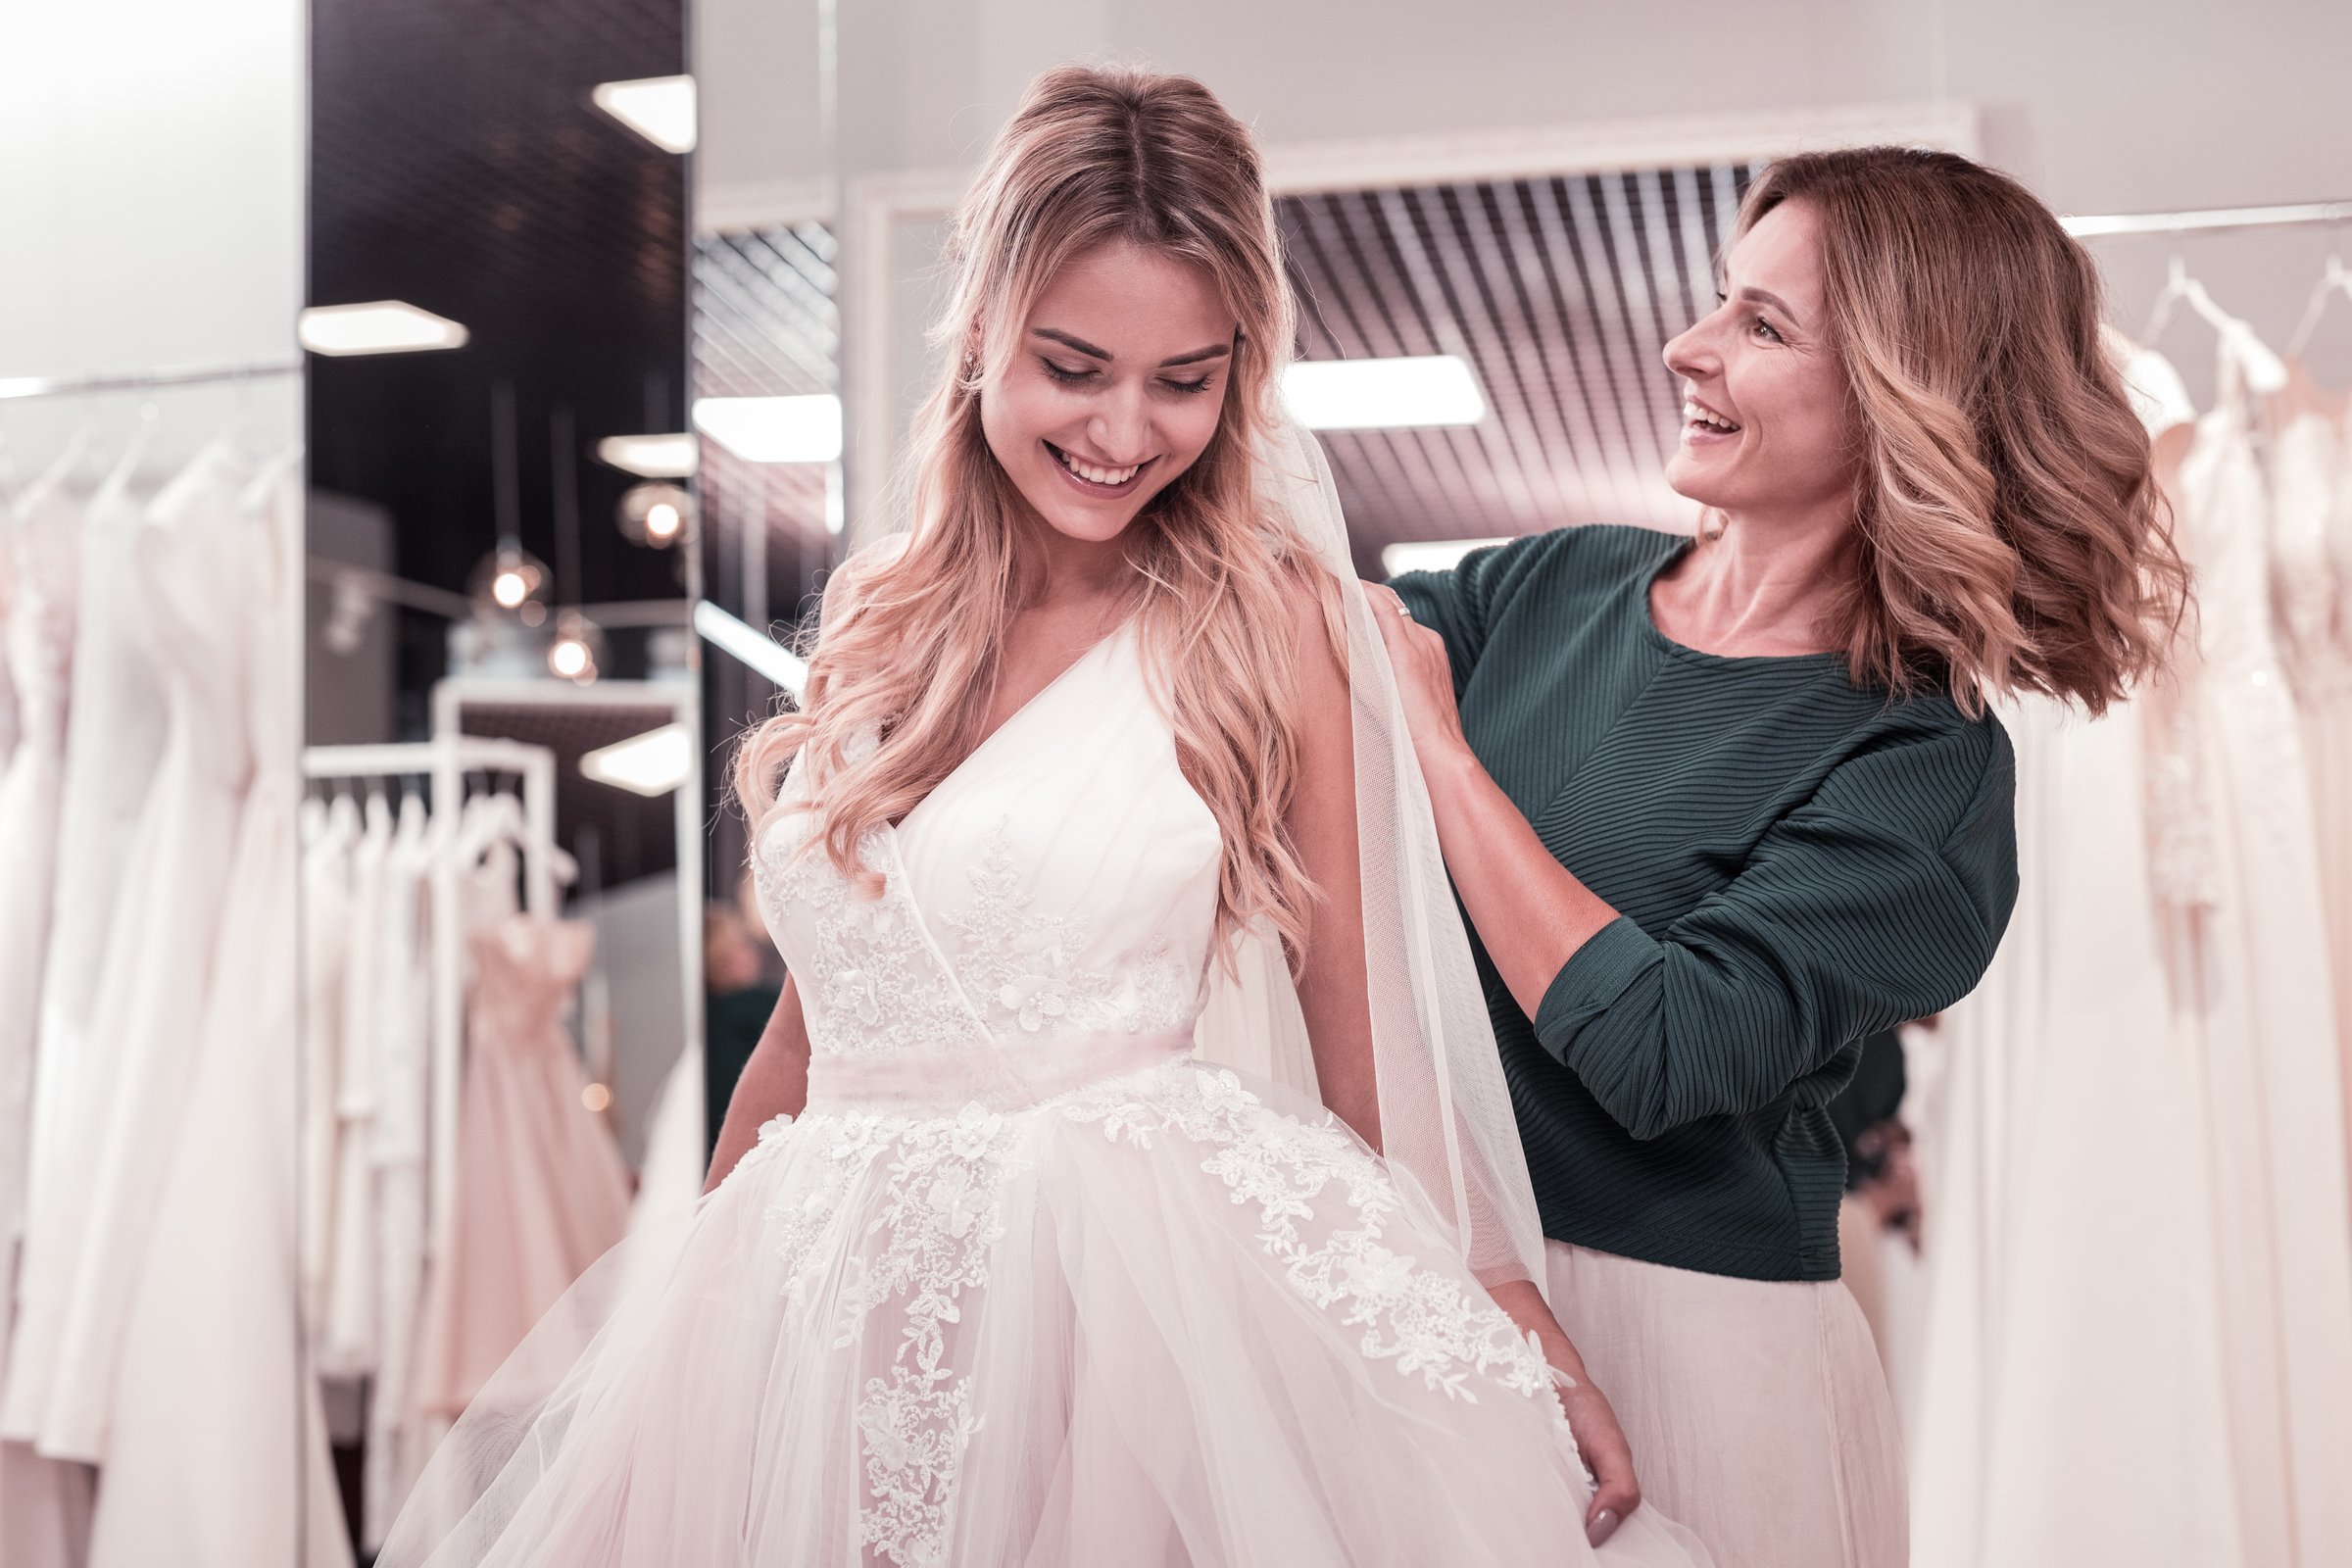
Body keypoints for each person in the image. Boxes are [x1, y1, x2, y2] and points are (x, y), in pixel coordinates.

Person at [379, 66, 1710, 1567]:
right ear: (984, 333)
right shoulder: (884, 615)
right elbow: (814, 1034)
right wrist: (693, 1323)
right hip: (814, 1308)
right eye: (1073, 366)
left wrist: (1506, 1313)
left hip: (1110, 1318)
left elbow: (1366, 1032)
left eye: (1183, 379)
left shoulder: (1273, 626)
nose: (1124, 431)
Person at [1372, 147, 2189, 1567]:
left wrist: (1441, 756)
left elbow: (1663, 1047)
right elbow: (1270, 667)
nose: (1688, 347)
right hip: (1435, 1291)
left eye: (1762, 326)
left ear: (1899, 393)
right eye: (1717, 302)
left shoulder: (1925, 768)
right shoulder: (1552, 586)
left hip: (1680, 1344)